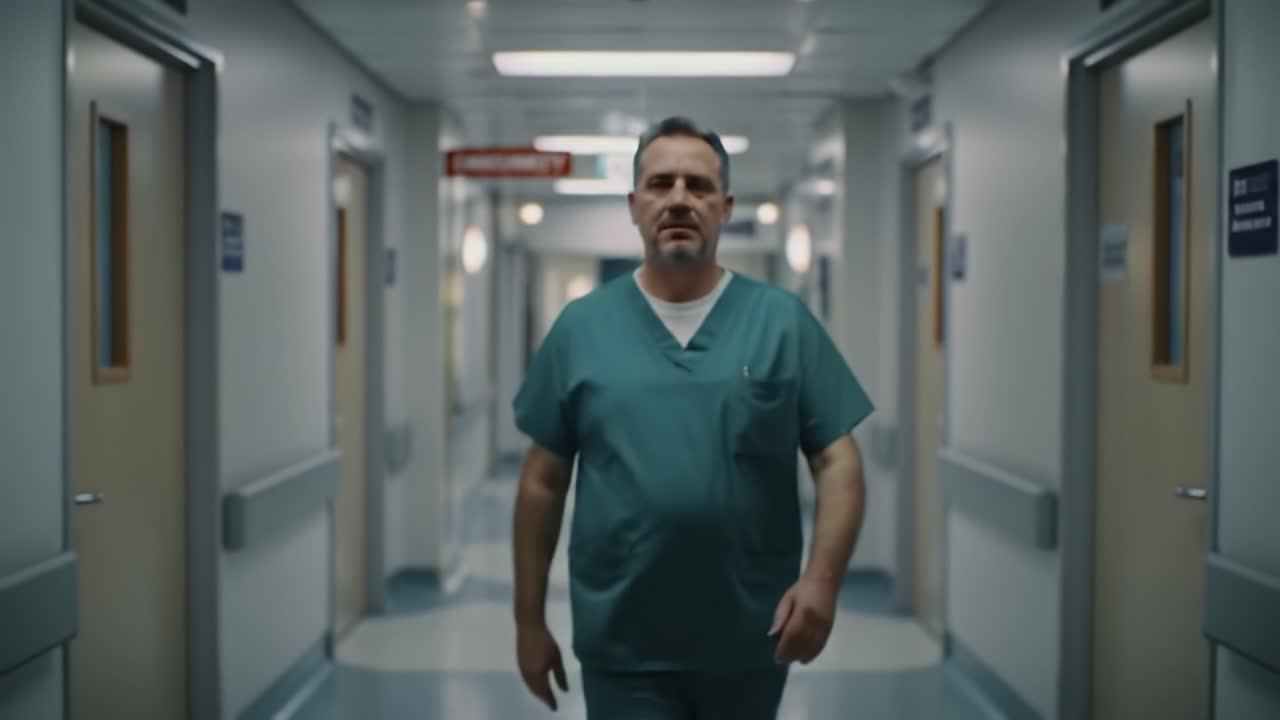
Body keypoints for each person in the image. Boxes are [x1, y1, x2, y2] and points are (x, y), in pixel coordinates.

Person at [511, 116, 873, 719]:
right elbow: (542, 480)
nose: (679, 198)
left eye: (698, 186)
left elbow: (837, 459)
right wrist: (527, 620)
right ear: (633, 205)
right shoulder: (582, 328)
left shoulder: (782, 323)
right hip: (623, 641)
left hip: (751, 638)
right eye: (660, 183)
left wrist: (823, 583)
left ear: (726, 207)